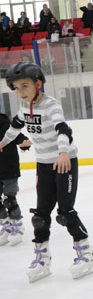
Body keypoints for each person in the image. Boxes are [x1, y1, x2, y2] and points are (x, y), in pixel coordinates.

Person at [0, 63, 93, 282]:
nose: (20, 92)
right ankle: (42, 259)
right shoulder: (24, 108)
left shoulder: (51, 105)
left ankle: (86, 254)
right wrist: (3, 143)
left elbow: (64, 129)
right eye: (16, 88)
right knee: (40, 217)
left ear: (38, 84)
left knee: (65, 212)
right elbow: (14, 128)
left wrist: (63, 153)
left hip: (64, 162)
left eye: (25, 86)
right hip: (43, 164)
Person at [0, 106, 32, 247]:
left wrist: (23, 142)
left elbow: (14, 134)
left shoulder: (2, 122)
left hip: (8, 167)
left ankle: (17, 226)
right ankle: (5, 225)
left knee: (9, 199)